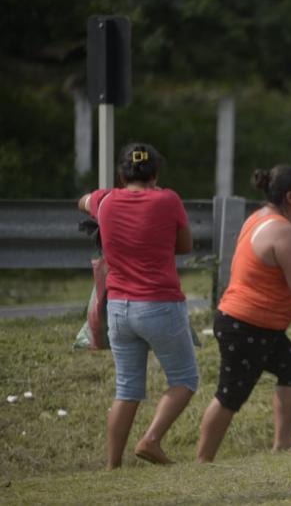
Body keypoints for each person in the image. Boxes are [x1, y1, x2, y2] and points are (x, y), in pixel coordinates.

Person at [78, 142, 198, 469]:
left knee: (127, 388)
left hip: (118, 307)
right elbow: (185, 246)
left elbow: (83, 200)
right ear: (155, 173)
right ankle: (151, 439)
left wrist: (102, 200)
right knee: (185, 379)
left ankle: (112, 464)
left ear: (122, 172)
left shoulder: (105, 200)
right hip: (159, 304)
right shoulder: (167, 199)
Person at [196, 165, 291, 462]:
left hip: (255, 324)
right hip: (246, 324)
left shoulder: (260, 218)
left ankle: (282, 446)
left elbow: (288, 256)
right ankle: (202, 460)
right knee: (231, 394)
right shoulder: (282, 229)